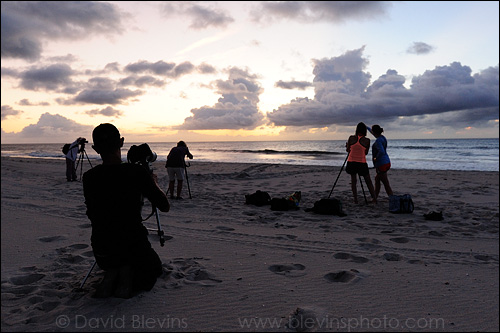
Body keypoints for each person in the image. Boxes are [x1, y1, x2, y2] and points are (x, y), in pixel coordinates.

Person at [82, 123, 170, 299]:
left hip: (102, 250)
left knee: (115, 254)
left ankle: (113, 272)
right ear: (121, 142)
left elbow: (94, 213)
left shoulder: (89, 177)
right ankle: (125, 274)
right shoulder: (136, 172)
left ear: (95, 148)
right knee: (154, 268)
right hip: (133, 246)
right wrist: (153, 183)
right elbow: (164, 205)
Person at [345, 122, 377, 204]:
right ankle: (374, 198)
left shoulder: (351, 138)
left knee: (353, 181)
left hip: (351, 162)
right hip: (361, 163)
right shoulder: (367, 140)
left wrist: (348, 146)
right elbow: (365, 153)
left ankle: (355, 199)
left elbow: (348, 150)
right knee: (368, 181)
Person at [367, 124, 394, 200]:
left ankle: (392, 199)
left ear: (375, 132)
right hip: (386, 162)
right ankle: (375, 198)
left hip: (381, 164)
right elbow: (372, 132)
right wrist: (366, 127)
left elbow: (381, 151)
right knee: (377, 180)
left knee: (386, 183)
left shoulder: (378, 140)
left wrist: (375, 158)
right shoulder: (382, 138)